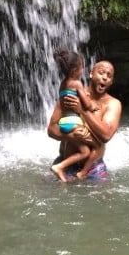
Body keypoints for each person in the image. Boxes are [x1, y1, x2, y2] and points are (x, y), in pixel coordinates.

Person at [47, 59, 122, 181]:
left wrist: (83, 111)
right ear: (91, 73)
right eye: (101, 72)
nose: (104, 77)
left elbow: (106, 135)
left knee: (102, 197)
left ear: (111, 82)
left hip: (93, 167)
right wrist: (72, 135)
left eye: (109, 76)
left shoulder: (113, 104)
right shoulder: (72, 95)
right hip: (65, 162)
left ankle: (83, 173)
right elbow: (51, 129)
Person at [49, 48, 101, 182]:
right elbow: (86, 104)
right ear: (74, 71)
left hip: (64, 122)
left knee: (82, 149)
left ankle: (65, 167)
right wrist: (92, 105)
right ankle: (68, 169)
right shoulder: (77, 84)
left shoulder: (62, 84)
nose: (83, 70)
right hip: (74, 123)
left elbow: (64, 103)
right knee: (90, 150)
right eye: (81, 68)